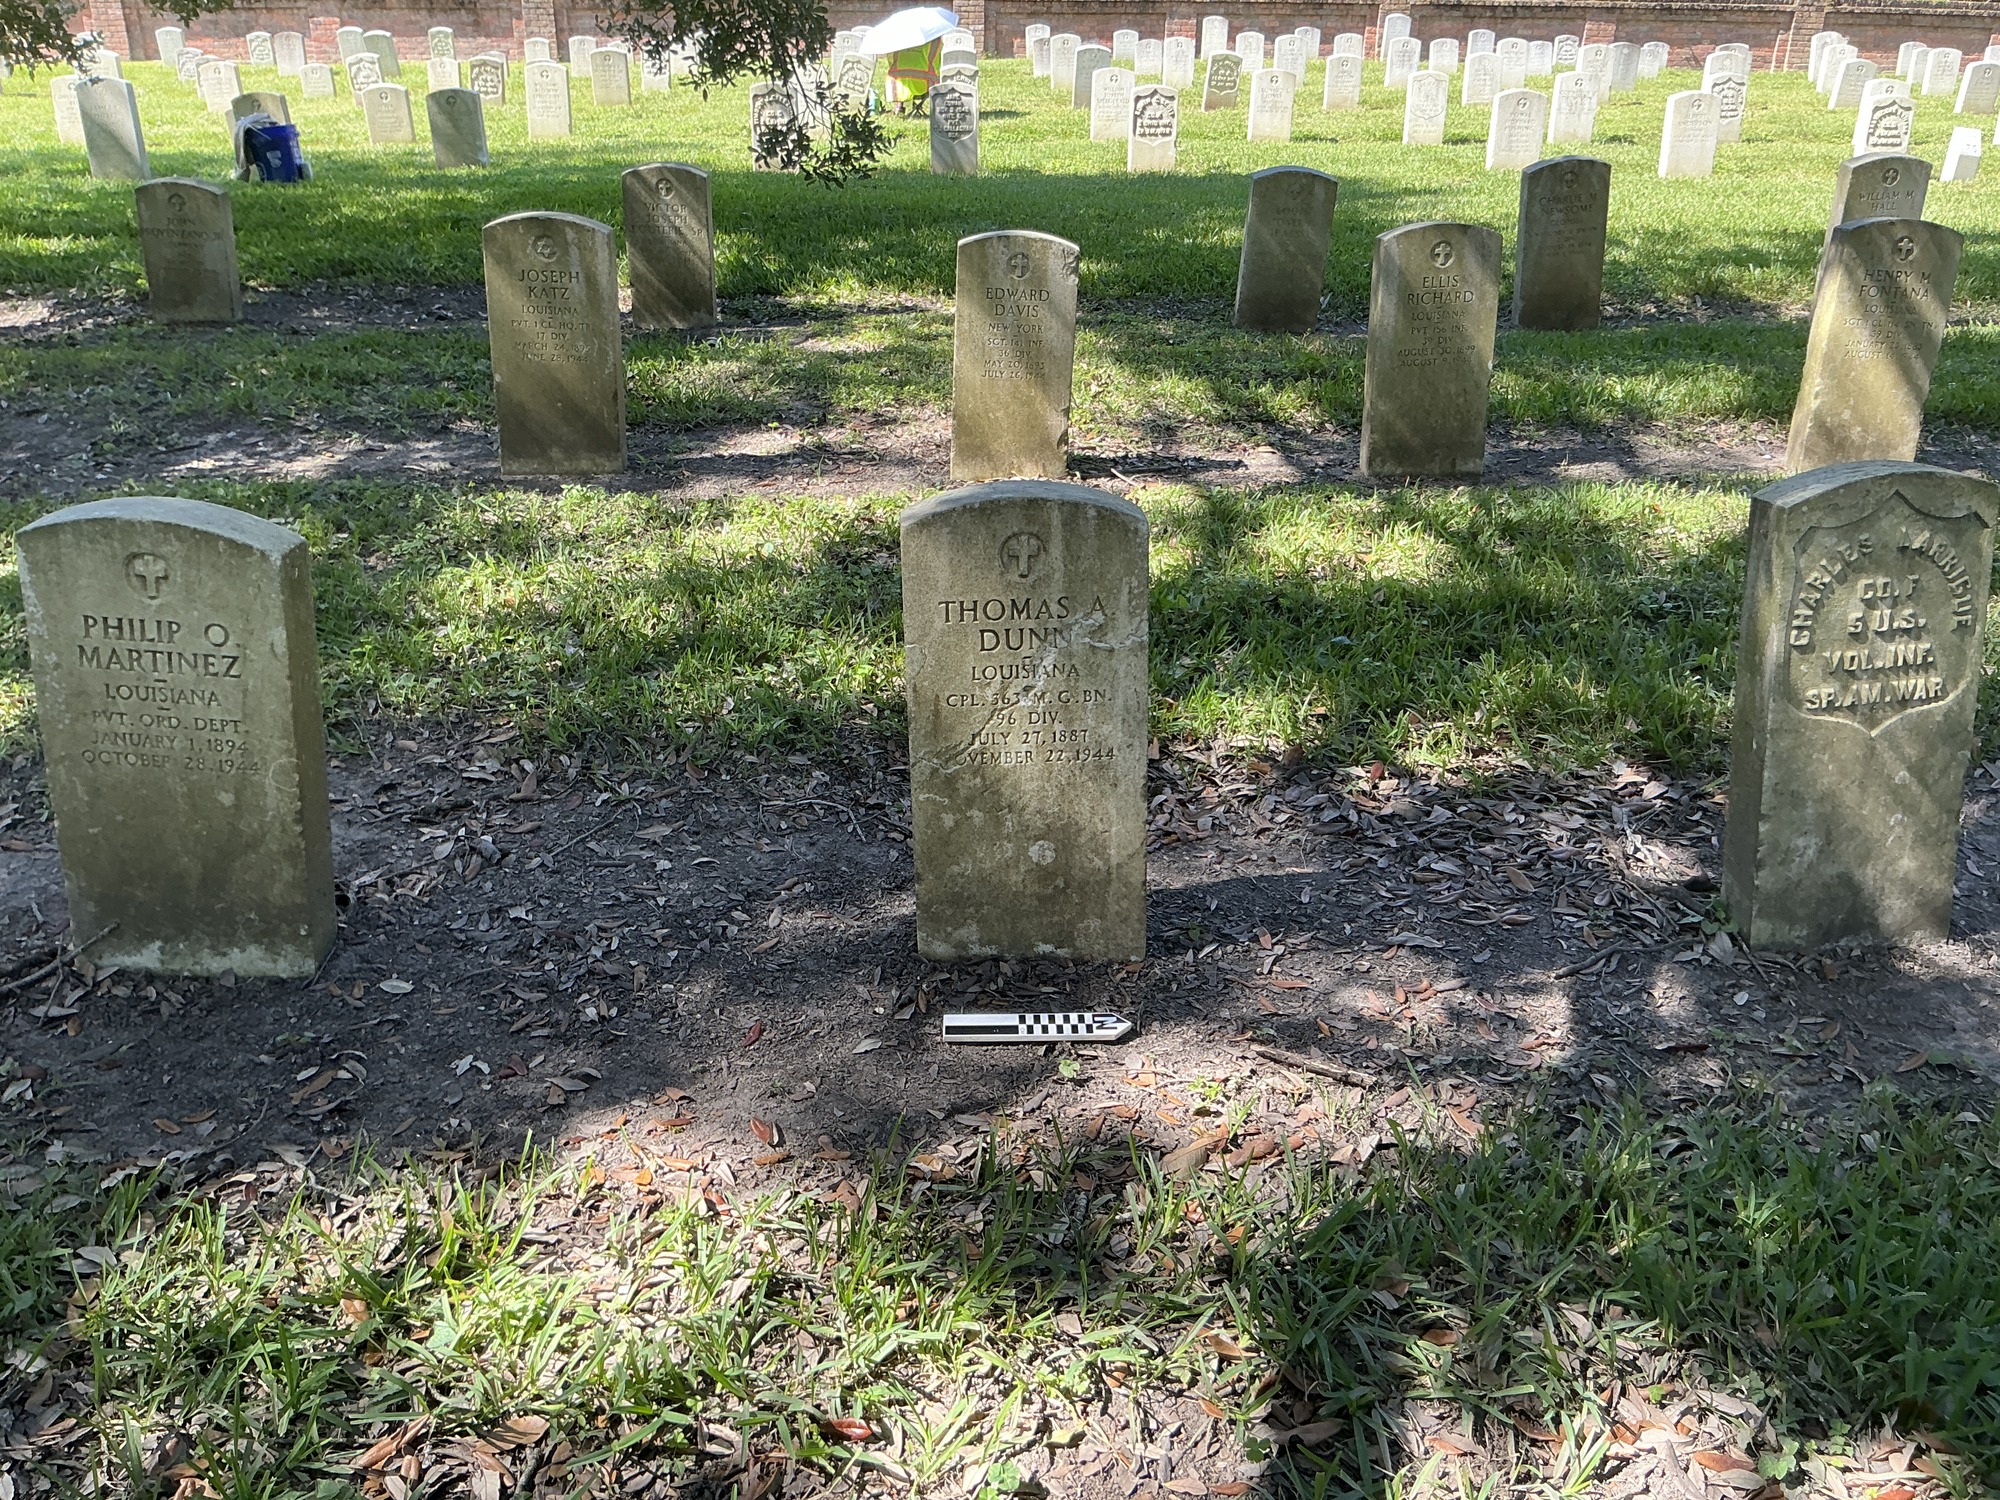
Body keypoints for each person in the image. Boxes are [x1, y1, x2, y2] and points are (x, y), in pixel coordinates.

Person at [885, 37, 940, 110]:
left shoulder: (898, 38)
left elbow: (891, 59)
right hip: (925, 82)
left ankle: (899, 105)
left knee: (895, 75)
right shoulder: (934, 39)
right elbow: (938, 62)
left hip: (899, 81)